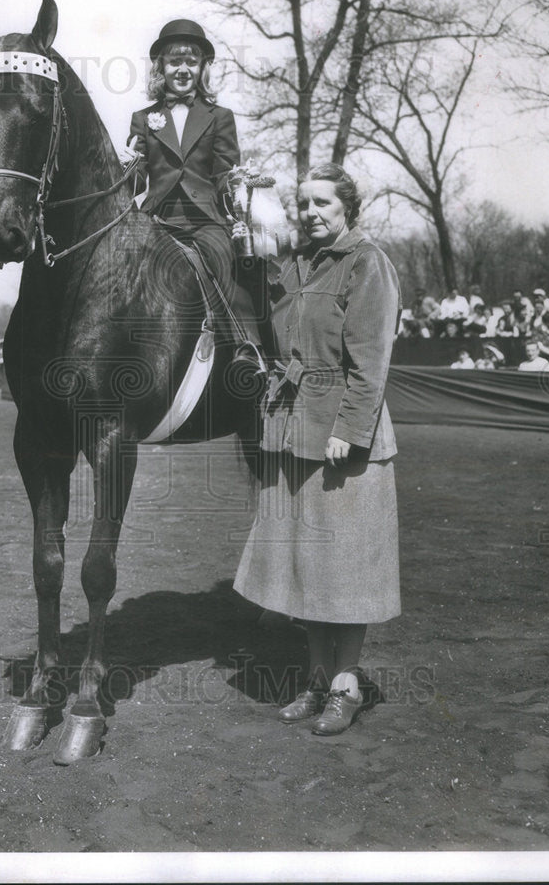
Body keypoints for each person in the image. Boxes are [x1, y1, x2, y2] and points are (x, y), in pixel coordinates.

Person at [234, 162, 401, 737]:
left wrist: (347, 431)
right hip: (291, 428)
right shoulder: (297, 264)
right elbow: (275, 328)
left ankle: (346, 684)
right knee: (306, 563)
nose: (311, 213)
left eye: (323, 203)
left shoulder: (367, 262)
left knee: (345, 568)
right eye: (303, 203)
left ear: (347, 207)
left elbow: (370, 363)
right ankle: (316, 678)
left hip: (344, 440)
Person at [120, 19, 266, 375]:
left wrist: (238, 215)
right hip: (158, 217)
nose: (182, 69)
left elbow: (224, 173)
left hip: (204, 219)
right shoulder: (145, 118)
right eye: (174, 62)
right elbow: (138, 181)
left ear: (202, 68)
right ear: (161, 68)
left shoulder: (220, 117)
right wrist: (129, 165)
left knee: (220, 262)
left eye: (191, 61)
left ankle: (248, 346)